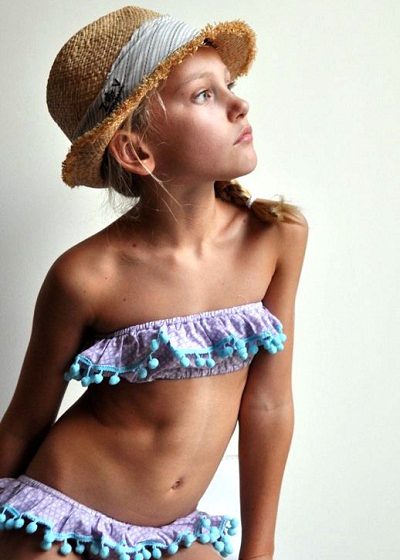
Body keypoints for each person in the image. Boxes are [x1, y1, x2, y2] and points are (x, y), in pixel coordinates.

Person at [0, 5, 308, 560]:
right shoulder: (85, 276)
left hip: (171, 537)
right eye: (204, 94)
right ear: (137, 150)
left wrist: (258, 549)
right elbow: (23, 425)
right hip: (55, 529)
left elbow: (268, 405)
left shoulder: (275, 239)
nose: (239, 104)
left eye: (230, 85)